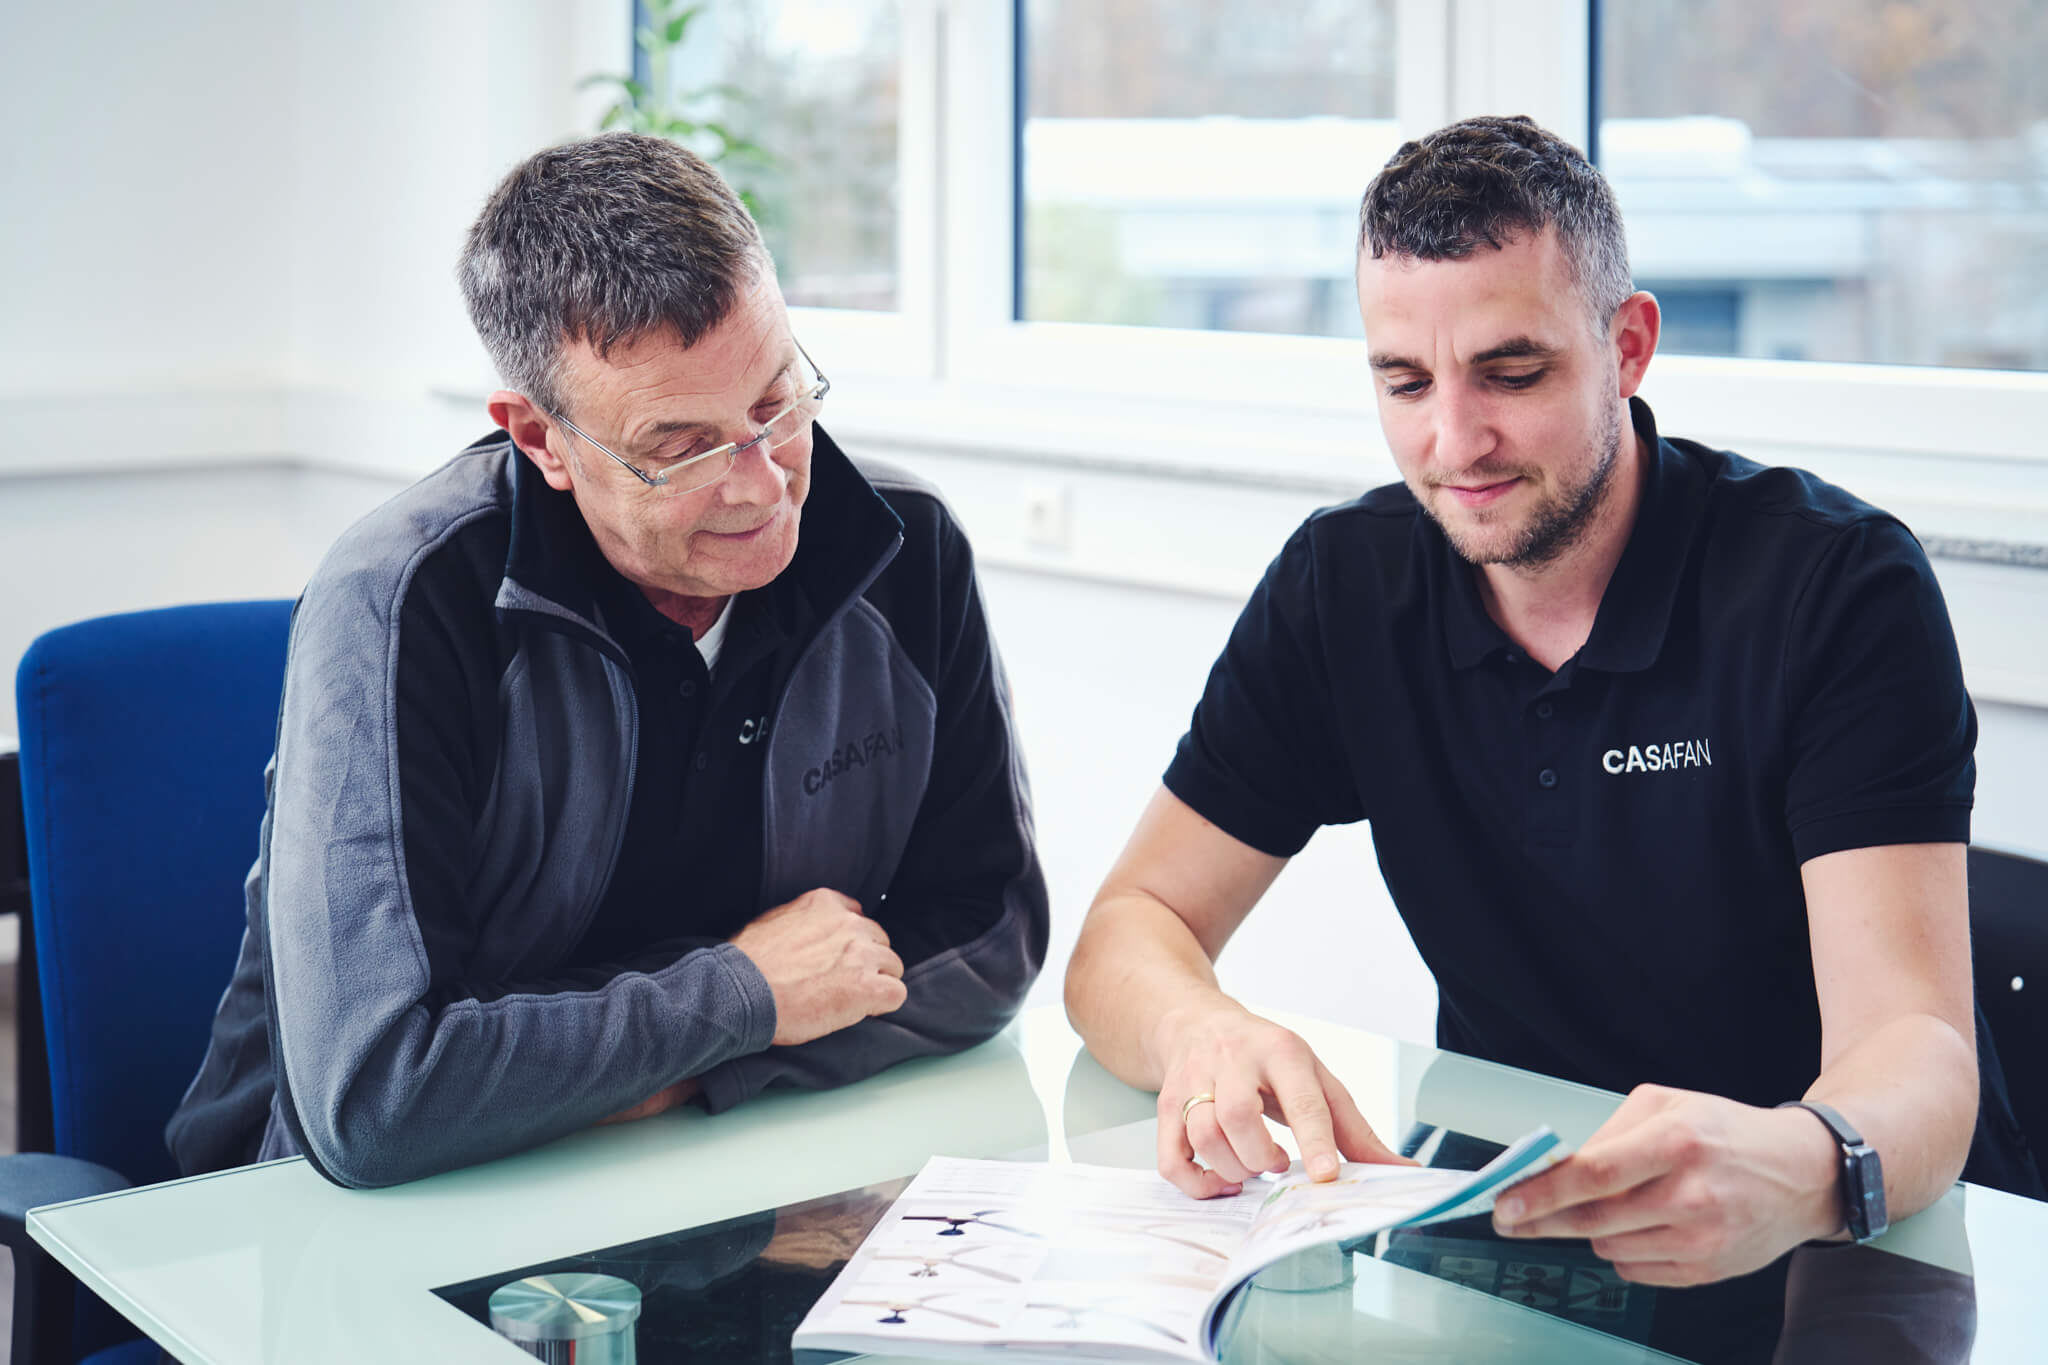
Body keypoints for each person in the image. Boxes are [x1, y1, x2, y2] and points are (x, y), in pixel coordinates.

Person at [1064, 114, 2040, 1287]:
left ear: (1626, 347)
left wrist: (1797, 1162)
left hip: (1830, 1233)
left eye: (1510, 372)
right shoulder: (1344, 586)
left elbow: (1915, 1047)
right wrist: (1198, 1029)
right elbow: (1126, 932)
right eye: (1402, 381)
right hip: (1514, 1222)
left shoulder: (1831, 587)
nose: (1451, 441)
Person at [166, 133, 1046, 1189]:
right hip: (319, 1233)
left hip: (723, 1178)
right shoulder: (398, 603)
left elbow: (989, 946)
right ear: (538, 437)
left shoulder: (905, 550)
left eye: (776, 403)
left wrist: (662, 1078)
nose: (762, 485)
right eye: (682, 447)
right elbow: (379, 1096)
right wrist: (743, 996)